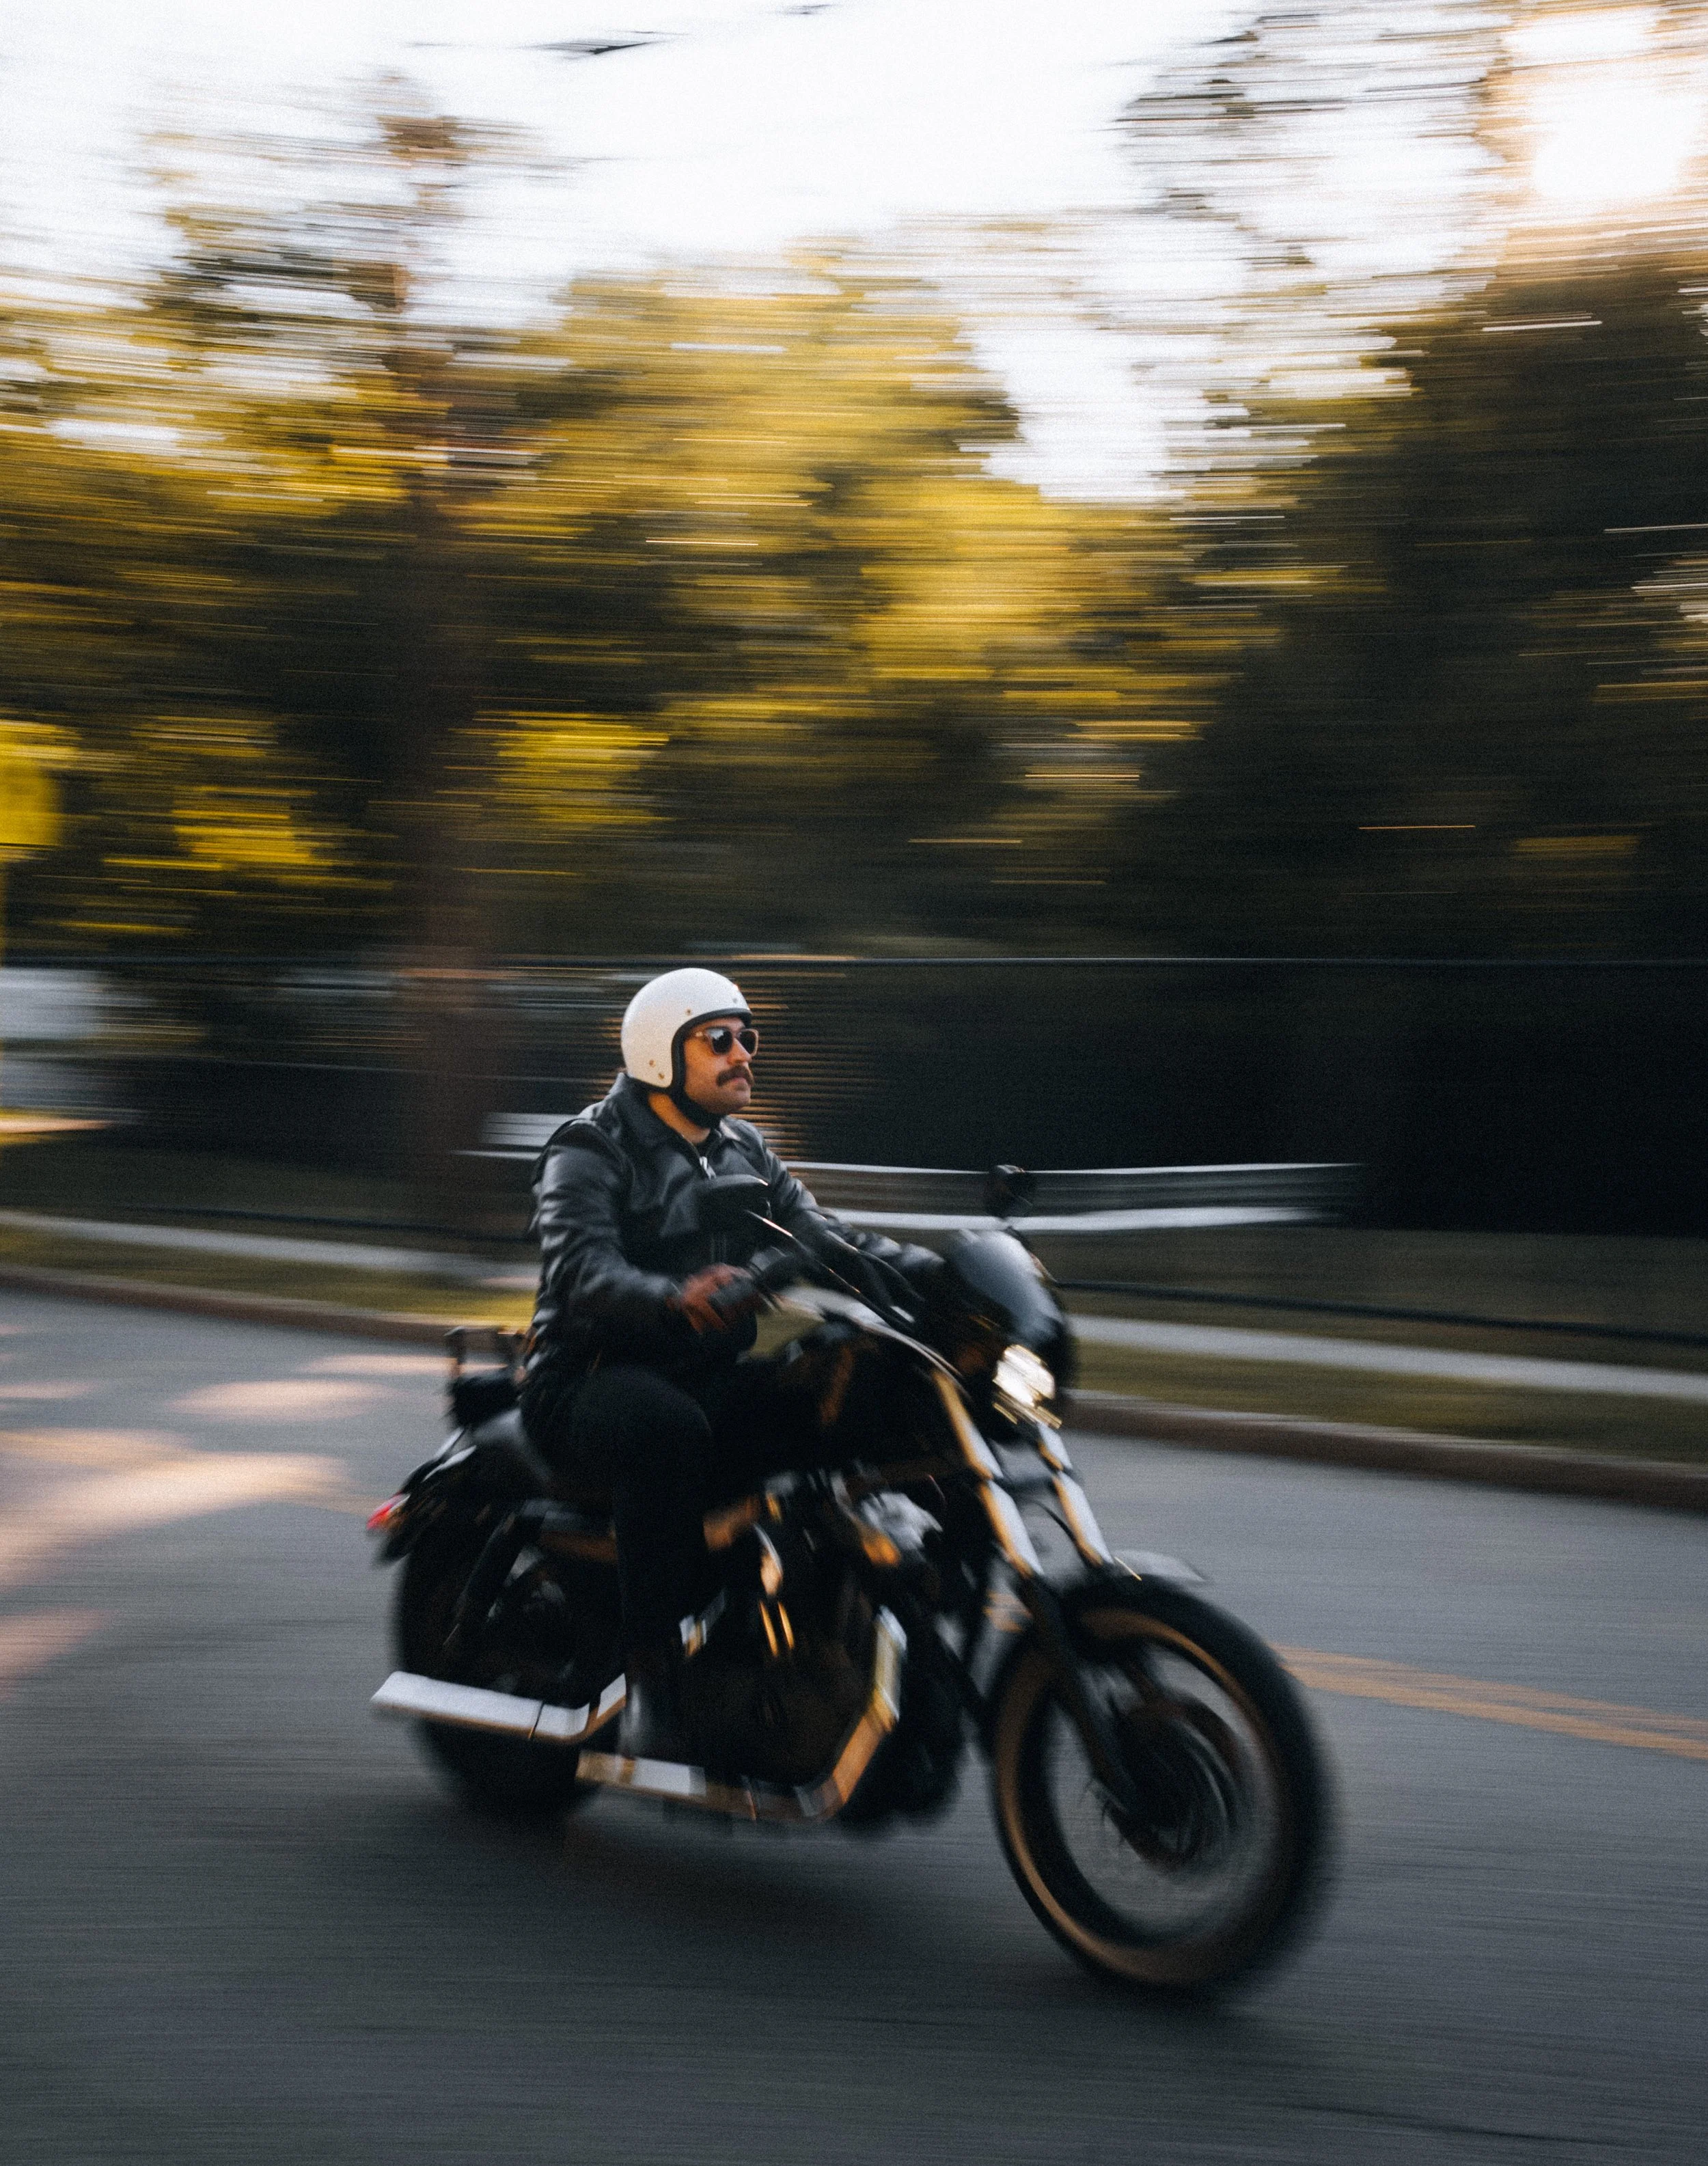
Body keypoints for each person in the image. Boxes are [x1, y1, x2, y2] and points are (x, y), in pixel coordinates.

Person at [519, 967, 941, 1762]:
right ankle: (652, 1677)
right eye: (720, 1038)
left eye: (749, 1036)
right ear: (660, 1054)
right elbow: (581, 1270)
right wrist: (672, 1296)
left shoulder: (743, 1147)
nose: (743, 1052)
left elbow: (830, 1237)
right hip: (586, 1379)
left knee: (845, 1387)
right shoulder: (589, 1146)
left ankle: (813, 1629)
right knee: (668, 1430)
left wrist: (942, 1275)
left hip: (704, 1371)